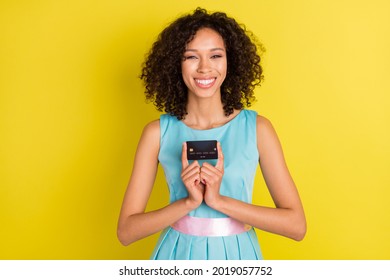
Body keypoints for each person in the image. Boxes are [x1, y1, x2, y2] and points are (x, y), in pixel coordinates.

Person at [117, 7, 306, 260]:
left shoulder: (258, 129)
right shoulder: (156, 133)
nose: (205, 68)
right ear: (176, 64)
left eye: (215, 55)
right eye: (191, 57)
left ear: (231, 60)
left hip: (239, 258)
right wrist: (188, 203)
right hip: (176, 256)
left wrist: (218, 201)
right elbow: (127, 232)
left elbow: (296, 226)